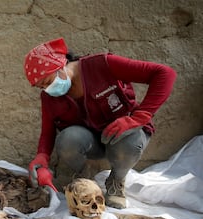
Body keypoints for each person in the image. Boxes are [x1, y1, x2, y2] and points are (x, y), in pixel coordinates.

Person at [24, 38, 176, 209]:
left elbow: (165, 74)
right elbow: (48, 129)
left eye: (47, 81)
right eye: (41, 87)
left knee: (130, 143)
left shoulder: (102, 65)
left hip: (122, 136)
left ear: (61, 64)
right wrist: (42, 156)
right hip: (91, 142)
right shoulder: (49, 97)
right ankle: (86, 180)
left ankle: (116, 182)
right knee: (67, 139)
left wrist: (139, 117)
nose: (47, 89)